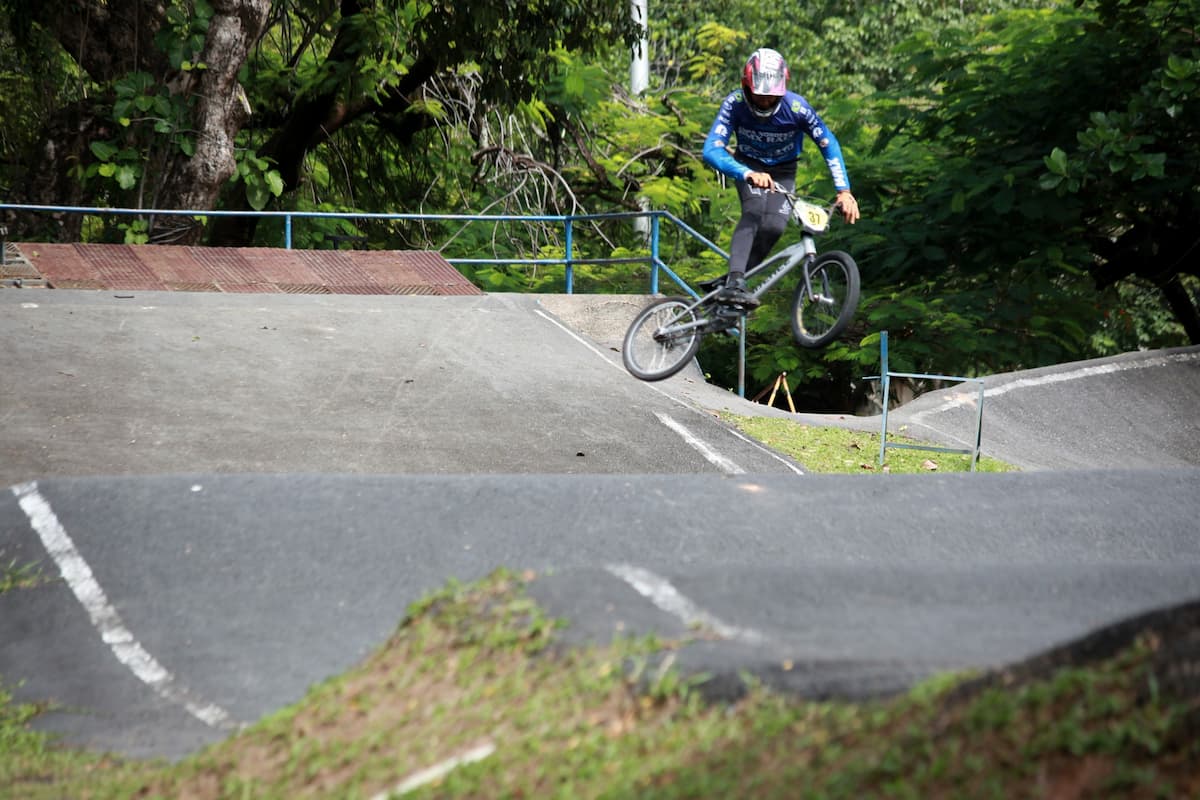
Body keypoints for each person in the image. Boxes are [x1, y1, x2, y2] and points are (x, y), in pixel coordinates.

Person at [702, 47, 860, 307]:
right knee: (754, 211)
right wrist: (747, 173)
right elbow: (710, 149)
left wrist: (844, 190)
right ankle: (735, 280)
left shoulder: (796, 108)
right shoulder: (735, 103)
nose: (765, 101)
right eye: (759, 95)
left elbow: (827, 142)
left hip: (784, 170)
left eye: (771, 96)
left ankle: (733, 285)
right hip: (749, 166)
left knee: (774, 226)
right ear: (746, 86)